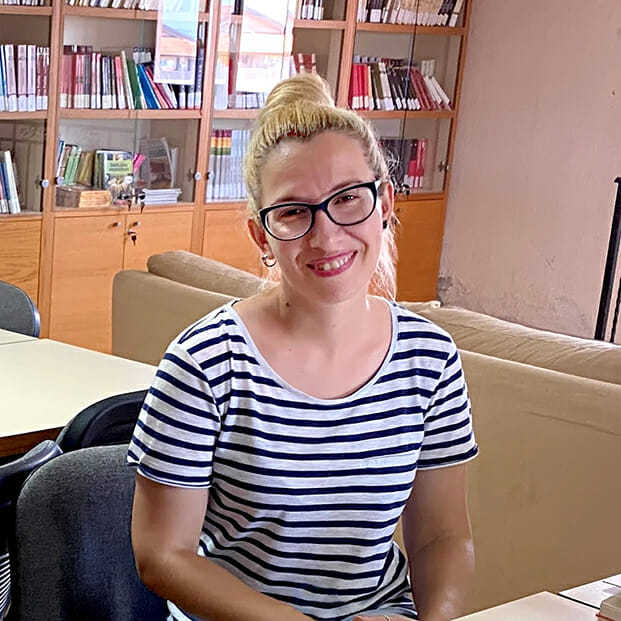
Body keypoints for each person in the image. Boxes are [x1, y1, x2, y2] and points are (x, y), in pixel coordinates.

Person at [128, 72, 478, 621]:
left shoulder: (430, 358)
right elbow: (161, 556)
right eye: (293, 211)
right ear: (261, 235)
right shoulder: (204, 363)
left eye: (347, 199)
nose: (326, 235)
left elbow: (442, 537)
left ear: (384, 202)